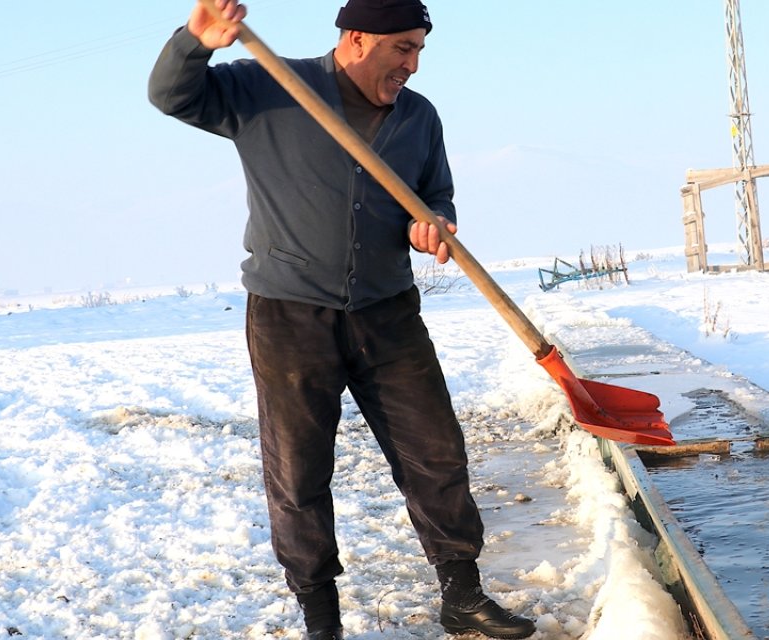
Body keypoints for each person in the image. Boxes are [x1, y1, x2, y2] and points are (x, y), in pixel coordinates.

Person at [148, 1, 537, 638]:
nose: (411, 65)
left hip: (388, 312)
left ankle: (462, 596)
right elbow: (171, 95)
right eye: (400, 49)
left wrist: (433, 224)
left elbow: (436, 193)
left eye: (418, 51)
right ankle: (320, 620)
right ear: (357, 39)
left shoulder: (418, 117)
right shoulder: (269, 86)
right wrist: (196, 42)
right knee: (299, 472)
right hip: (289, 316)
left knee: (436, 452)